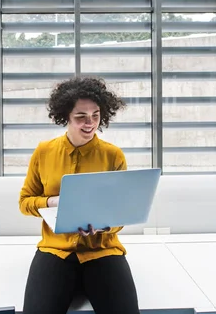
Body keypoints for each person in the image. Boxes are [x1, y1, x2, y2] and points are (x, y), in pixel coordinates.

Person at [18, 76, 140, 314]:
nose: (90, 123)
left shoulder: (113, 156)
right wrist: (51, 202)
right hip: (56, 249)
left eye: (96, 115)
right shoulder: (44, 152)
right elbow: (24, 202)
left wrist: (104, 226)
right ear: (66, 116)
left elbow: (121, 214)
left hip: (102, 250)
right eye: (81, 116)